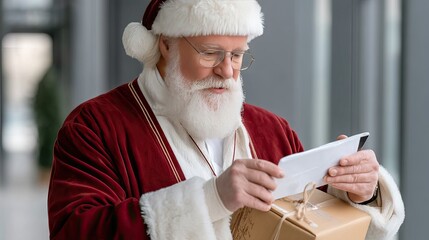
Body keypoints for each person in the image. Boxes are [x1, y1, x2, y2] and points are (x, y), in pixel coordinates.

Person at [47, 0, 405, 239]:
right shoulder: (94, 127)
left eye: (237, 55)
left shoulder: (272, 130)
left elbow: (309, 224)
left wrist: (360, 191)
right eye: (210, 52)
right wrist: (208, 200)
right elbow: (73, 231)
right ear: (166, 44)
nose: (226, 70)